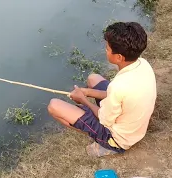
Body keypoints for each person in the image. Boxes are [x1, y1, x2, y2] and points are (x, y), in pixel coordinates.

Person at [47, 22, 157, 157]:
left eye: (107, 48)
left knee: (54, 106)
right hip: (134, 124)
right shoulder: (142, 63)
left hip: (119, 138)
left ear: (119, 57)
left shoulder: (118, 87)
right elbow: (118, 95)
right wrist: (87, 92)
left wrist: (83, 100)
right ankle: (97, 132)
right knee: (93, 79)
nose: (105, 50)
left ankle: (104, 143)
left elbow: (104, 118)